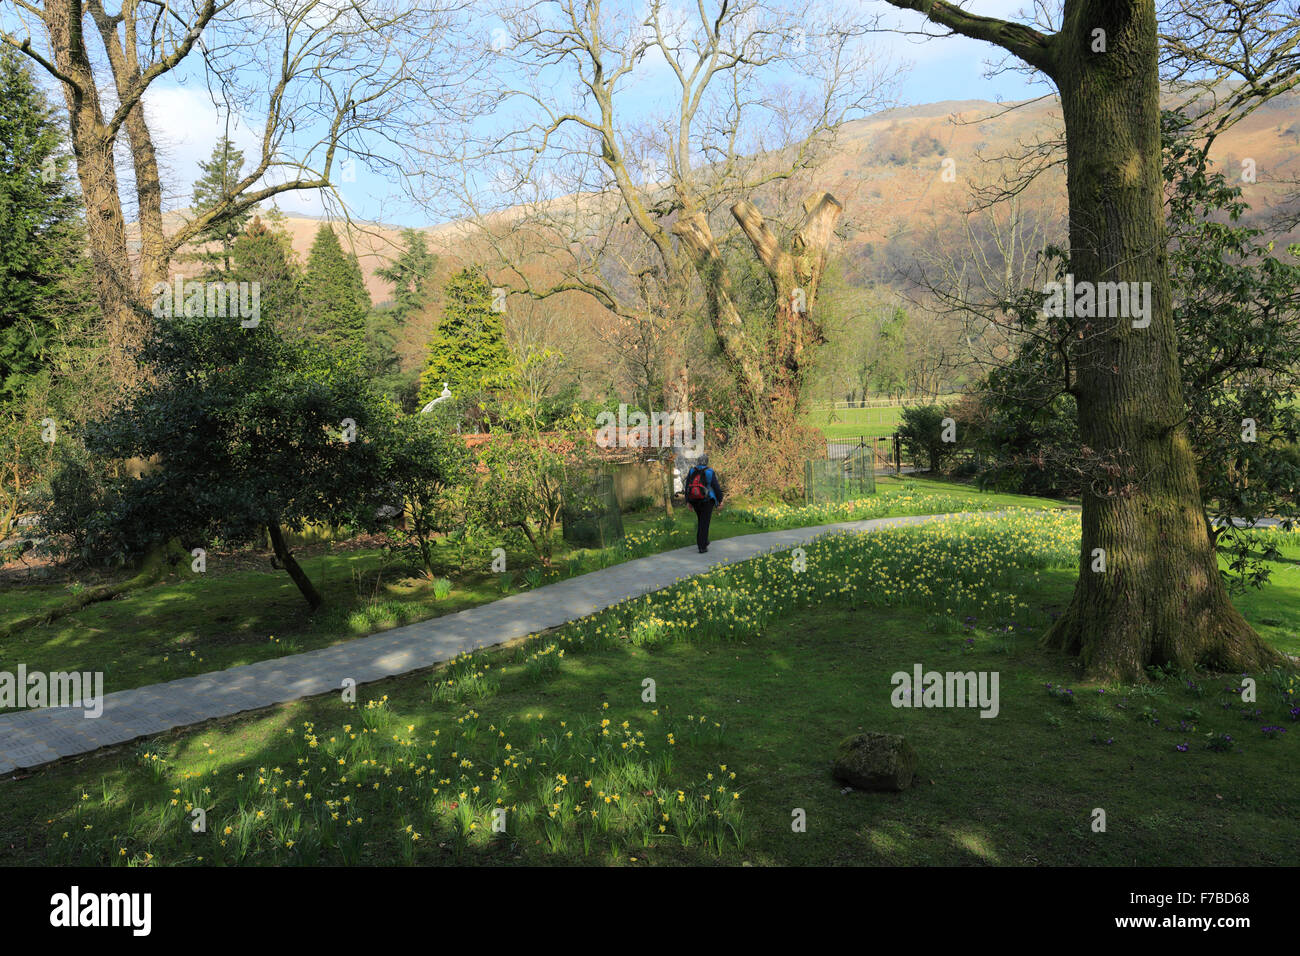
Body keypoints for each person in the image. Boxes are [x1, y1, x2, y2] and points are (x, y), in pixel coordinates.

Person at [684, 454, 723, 553]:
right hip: (707, 500)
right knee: (704, 523)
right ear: (707, 462)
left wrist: (688, 501)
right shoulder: (710, 472)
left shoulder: (692, 471)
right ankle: (702, 546)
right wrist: (720, 500)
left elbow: (687, 486)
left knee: (701, 520)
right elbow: (716, 487)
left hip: (694, 500)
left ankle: (704, 541)